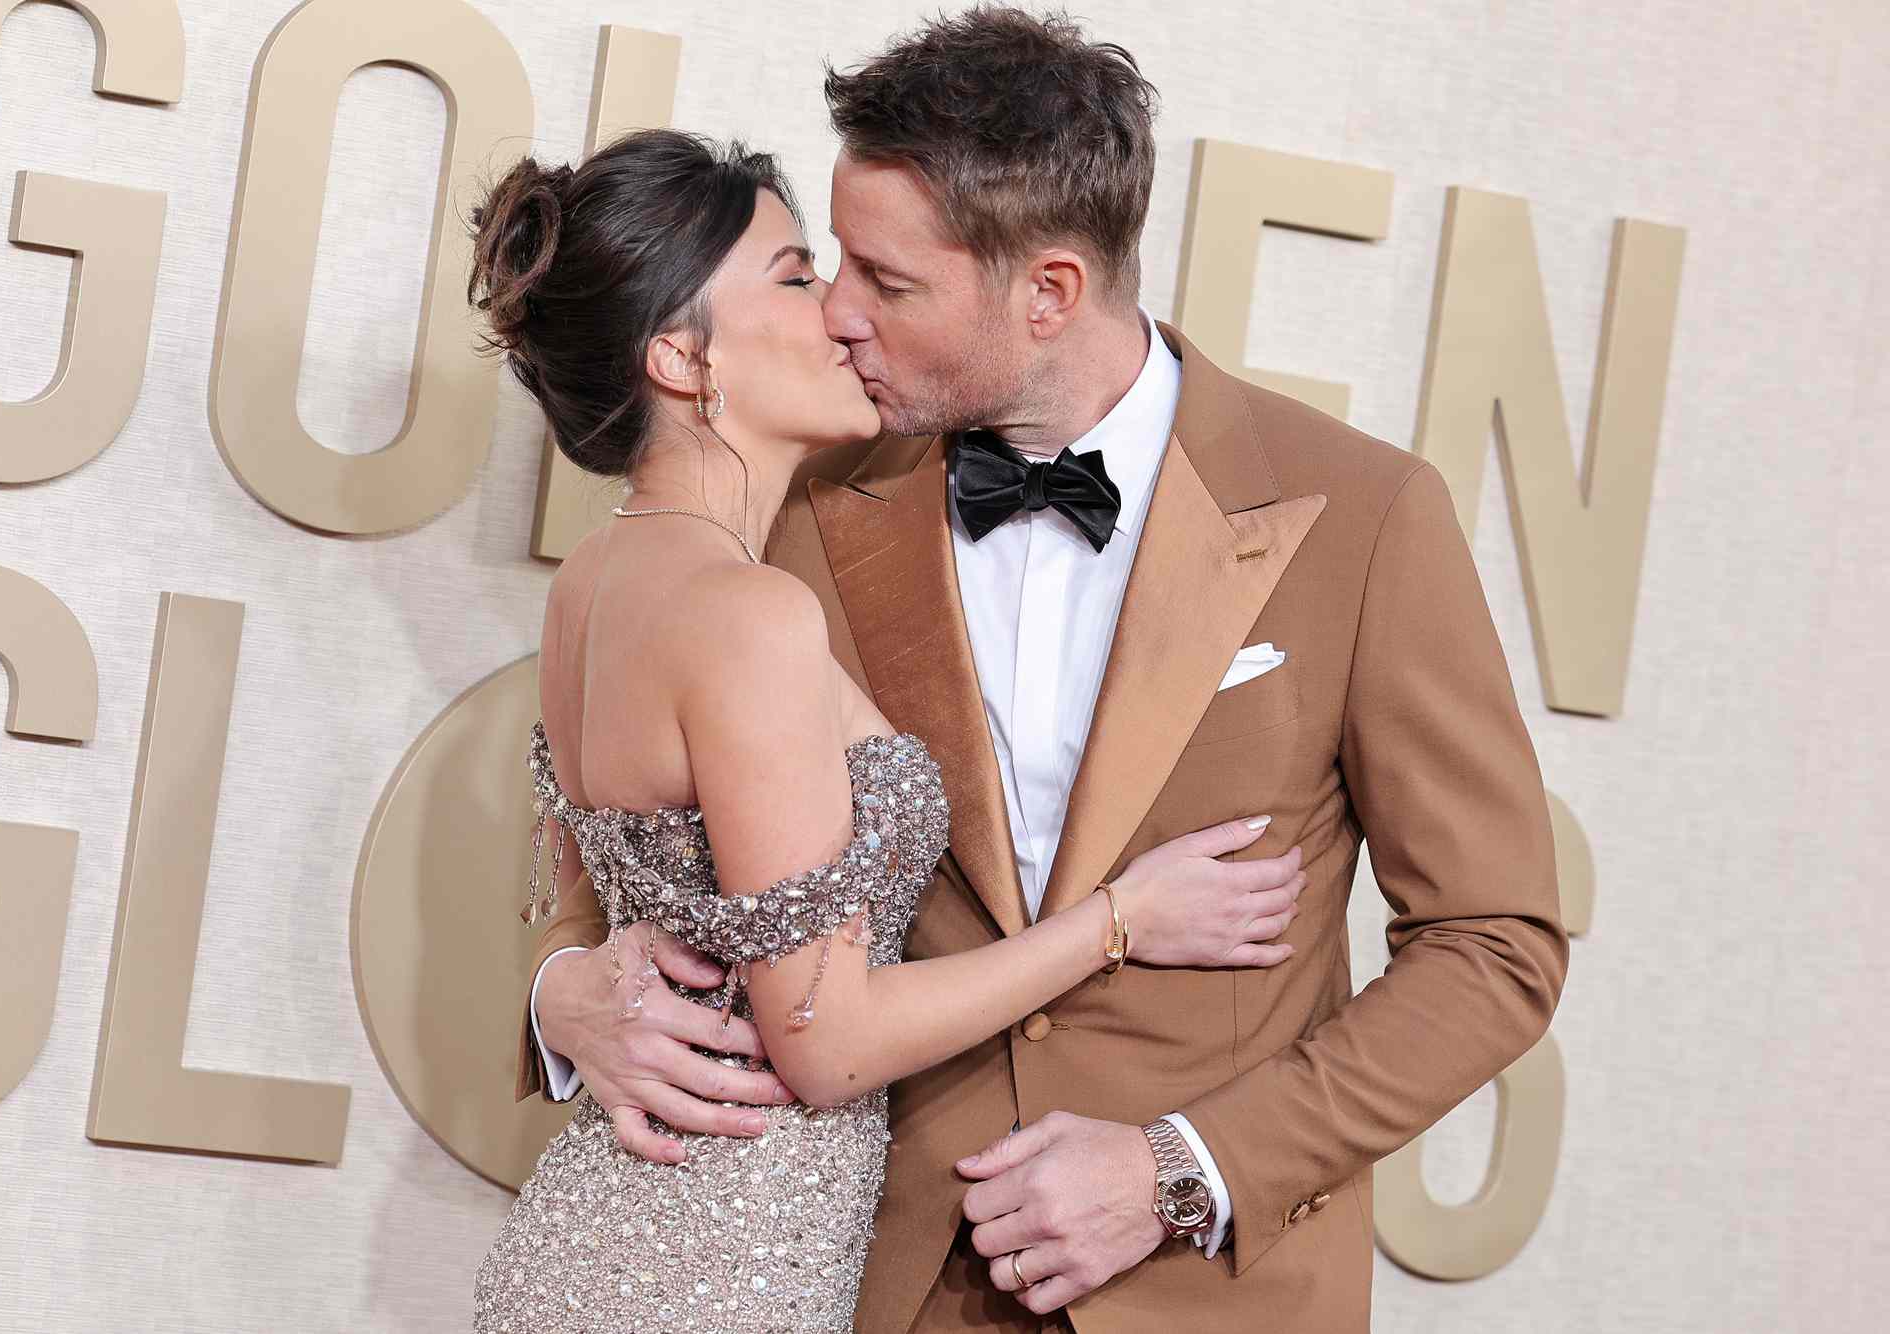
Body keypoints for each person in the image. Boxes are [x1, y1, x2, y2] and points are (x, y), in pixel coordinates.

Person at [515, 8, 1569, 1333]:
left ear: (1049, 291)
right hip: (869, 1287)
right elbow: (618, 801)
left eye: (886, 283)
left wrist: (1186, 1165)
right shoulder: (785, 503)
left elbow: (1496, 943)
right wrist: (565, 990)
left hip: (1211, 1298)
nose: (841, 312)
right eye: (828, 263)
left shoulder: (1361, 516)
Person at [467, 128, 1307, 1334]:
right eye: (800, 276)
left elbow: (599, 895)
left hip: (619, 1229)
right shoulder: (744, 612)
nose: (842, 312)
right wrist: (1120, 920)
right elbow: (828, 1042)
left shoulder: (593, 579)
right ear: (681, 357)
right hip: (717, 1266)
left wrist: (563, 982)